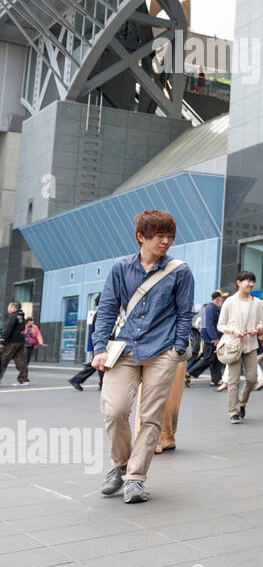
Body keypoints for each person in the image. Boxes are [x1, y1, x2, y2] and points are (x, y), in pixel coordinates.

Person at [91, 209, 195, 504]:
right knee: (114, 410)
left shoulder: (180, 271)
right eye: (159, 236)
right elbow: (108, 309)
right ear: (141, 237)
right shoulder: (121, 268)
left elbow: (185, 312)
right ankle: (120, 464)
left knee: (150, 417)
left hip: (161, 351)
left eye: (170, 236)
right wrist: (99, 348)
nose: (166, 241)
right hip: (123, 349)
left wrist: (177, 348)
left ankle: (135, 478)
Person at [218, 271, 263, 424]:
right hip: (233, 345)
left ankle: (242, 402)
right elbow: (220, 325)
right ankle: (233, 411)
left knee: (252, 379)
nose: (250, 284)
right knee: (233, 380)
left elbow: (261, 323)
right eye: (247, 281)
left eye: (252, 281)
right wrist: (233, 331)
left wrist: (255, 329)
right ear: (238, 282)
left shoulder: (257, 302)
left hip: (250, 344)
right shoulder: (229, 302)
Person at [186, 291, 226, 385]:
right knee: (208, 358)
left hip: (212, 337)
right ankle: (189, 372)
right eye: (222, 298)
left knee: (216, 359)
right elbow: (209, 325)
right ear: (217, 299)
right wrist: (215, 338)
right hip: (210, 338)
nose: (223, 300)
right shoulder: (210, 308)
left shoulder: (213, 308)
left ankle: (215, 379)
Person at [68, 309, 104, 391]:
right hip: (100, 343)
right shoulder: (102, 313)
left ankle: (77, 379)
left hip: (98, 342)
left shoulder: (100, 312)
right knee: (100, 363)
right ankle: (76, 379)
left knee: (97, 364)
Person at [0, 302, 31, 385]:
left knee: (2, 359)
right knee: (21, 360)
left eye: (9, 307)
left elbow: (8, 329)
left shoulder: (13, 316)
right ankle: (24, 379)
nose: (8, 309)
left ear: (14, 308)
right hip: (20, 341)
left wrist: (2, 341)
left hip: (12, 342)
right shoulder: (21, 316)